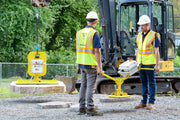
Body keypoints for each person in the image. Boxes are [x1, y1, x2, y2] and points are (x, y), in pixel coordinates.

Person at [76, 11, 103, 116]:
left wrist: (78, 65)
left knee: (83, 86)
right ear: (96, 21)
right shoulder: (94, 34)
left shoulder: (79, 33)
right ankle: (90, 108)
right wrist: (100, 67)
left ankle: (81, 108)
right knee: (90, 87)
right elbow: (97, 51)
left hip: (82, 64)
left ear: (87, 21)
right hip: (91, 64)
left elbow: (78, 50)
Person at [135, 15, 160, 110]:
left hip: (149, 63)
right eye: (140, 25)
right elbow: (138, 49)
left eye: (143, 25)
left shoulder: (154, 36)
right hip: (141, 63)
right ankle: (144, 101)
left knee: (151, 82)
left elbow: (156, 51)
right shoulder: (139, 35)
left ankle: (151, 102)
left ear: (147, 24)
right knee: (143, 82)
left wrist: (157, 64)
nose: (141, 27)